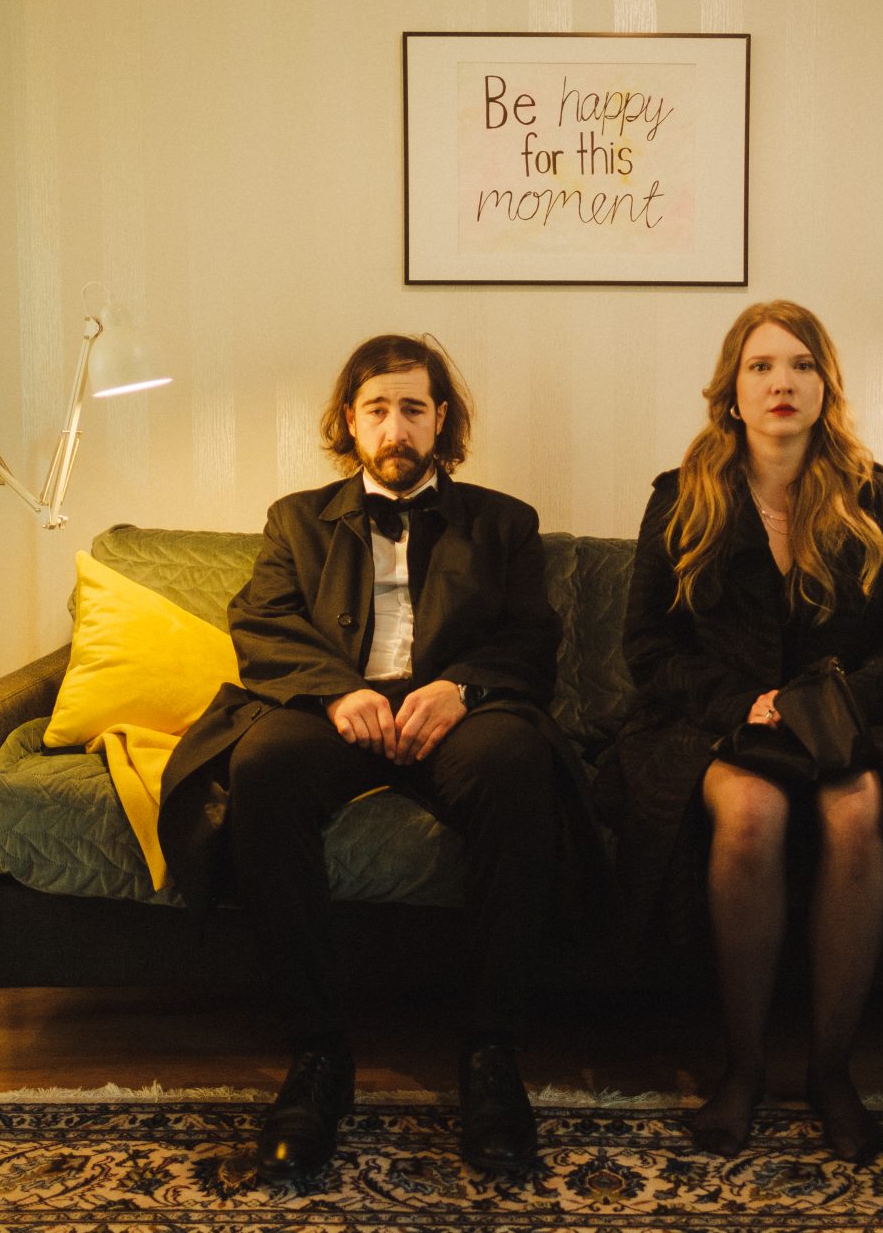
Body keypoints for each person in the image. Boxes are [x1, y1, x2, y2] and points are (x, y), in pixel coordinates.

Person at [158, 334, 596, 1181]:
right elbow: (261, 623)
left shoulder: (506, 522)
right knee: (262, 767)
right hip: (337, 710)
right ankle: (318, 1054)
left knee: (517, 766)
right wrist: (335, 690)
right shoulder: (294, 519)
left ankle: (491, 1054)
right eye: (378, 409)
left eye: (413, 409)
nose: (396, 428)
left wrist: (460, 687)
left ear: (441, 420)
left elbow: (531, 639)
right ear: (350, 422)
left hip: (457, 713)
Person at [610, 300, 883, 1164]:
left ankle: (830, 1070)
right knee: (752, 813)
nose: (782, 381)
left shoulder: (880, 498)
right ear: (732, 390)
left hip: (847, 724)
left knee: (857, 815)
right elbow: (647, 646)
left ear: (826, 386)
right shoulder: (680, 498)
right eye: (761, 365)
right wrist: (739, 700)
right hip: (715, 725)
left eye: (801, 364)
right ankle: (742, 1067)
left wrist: (835, 699)